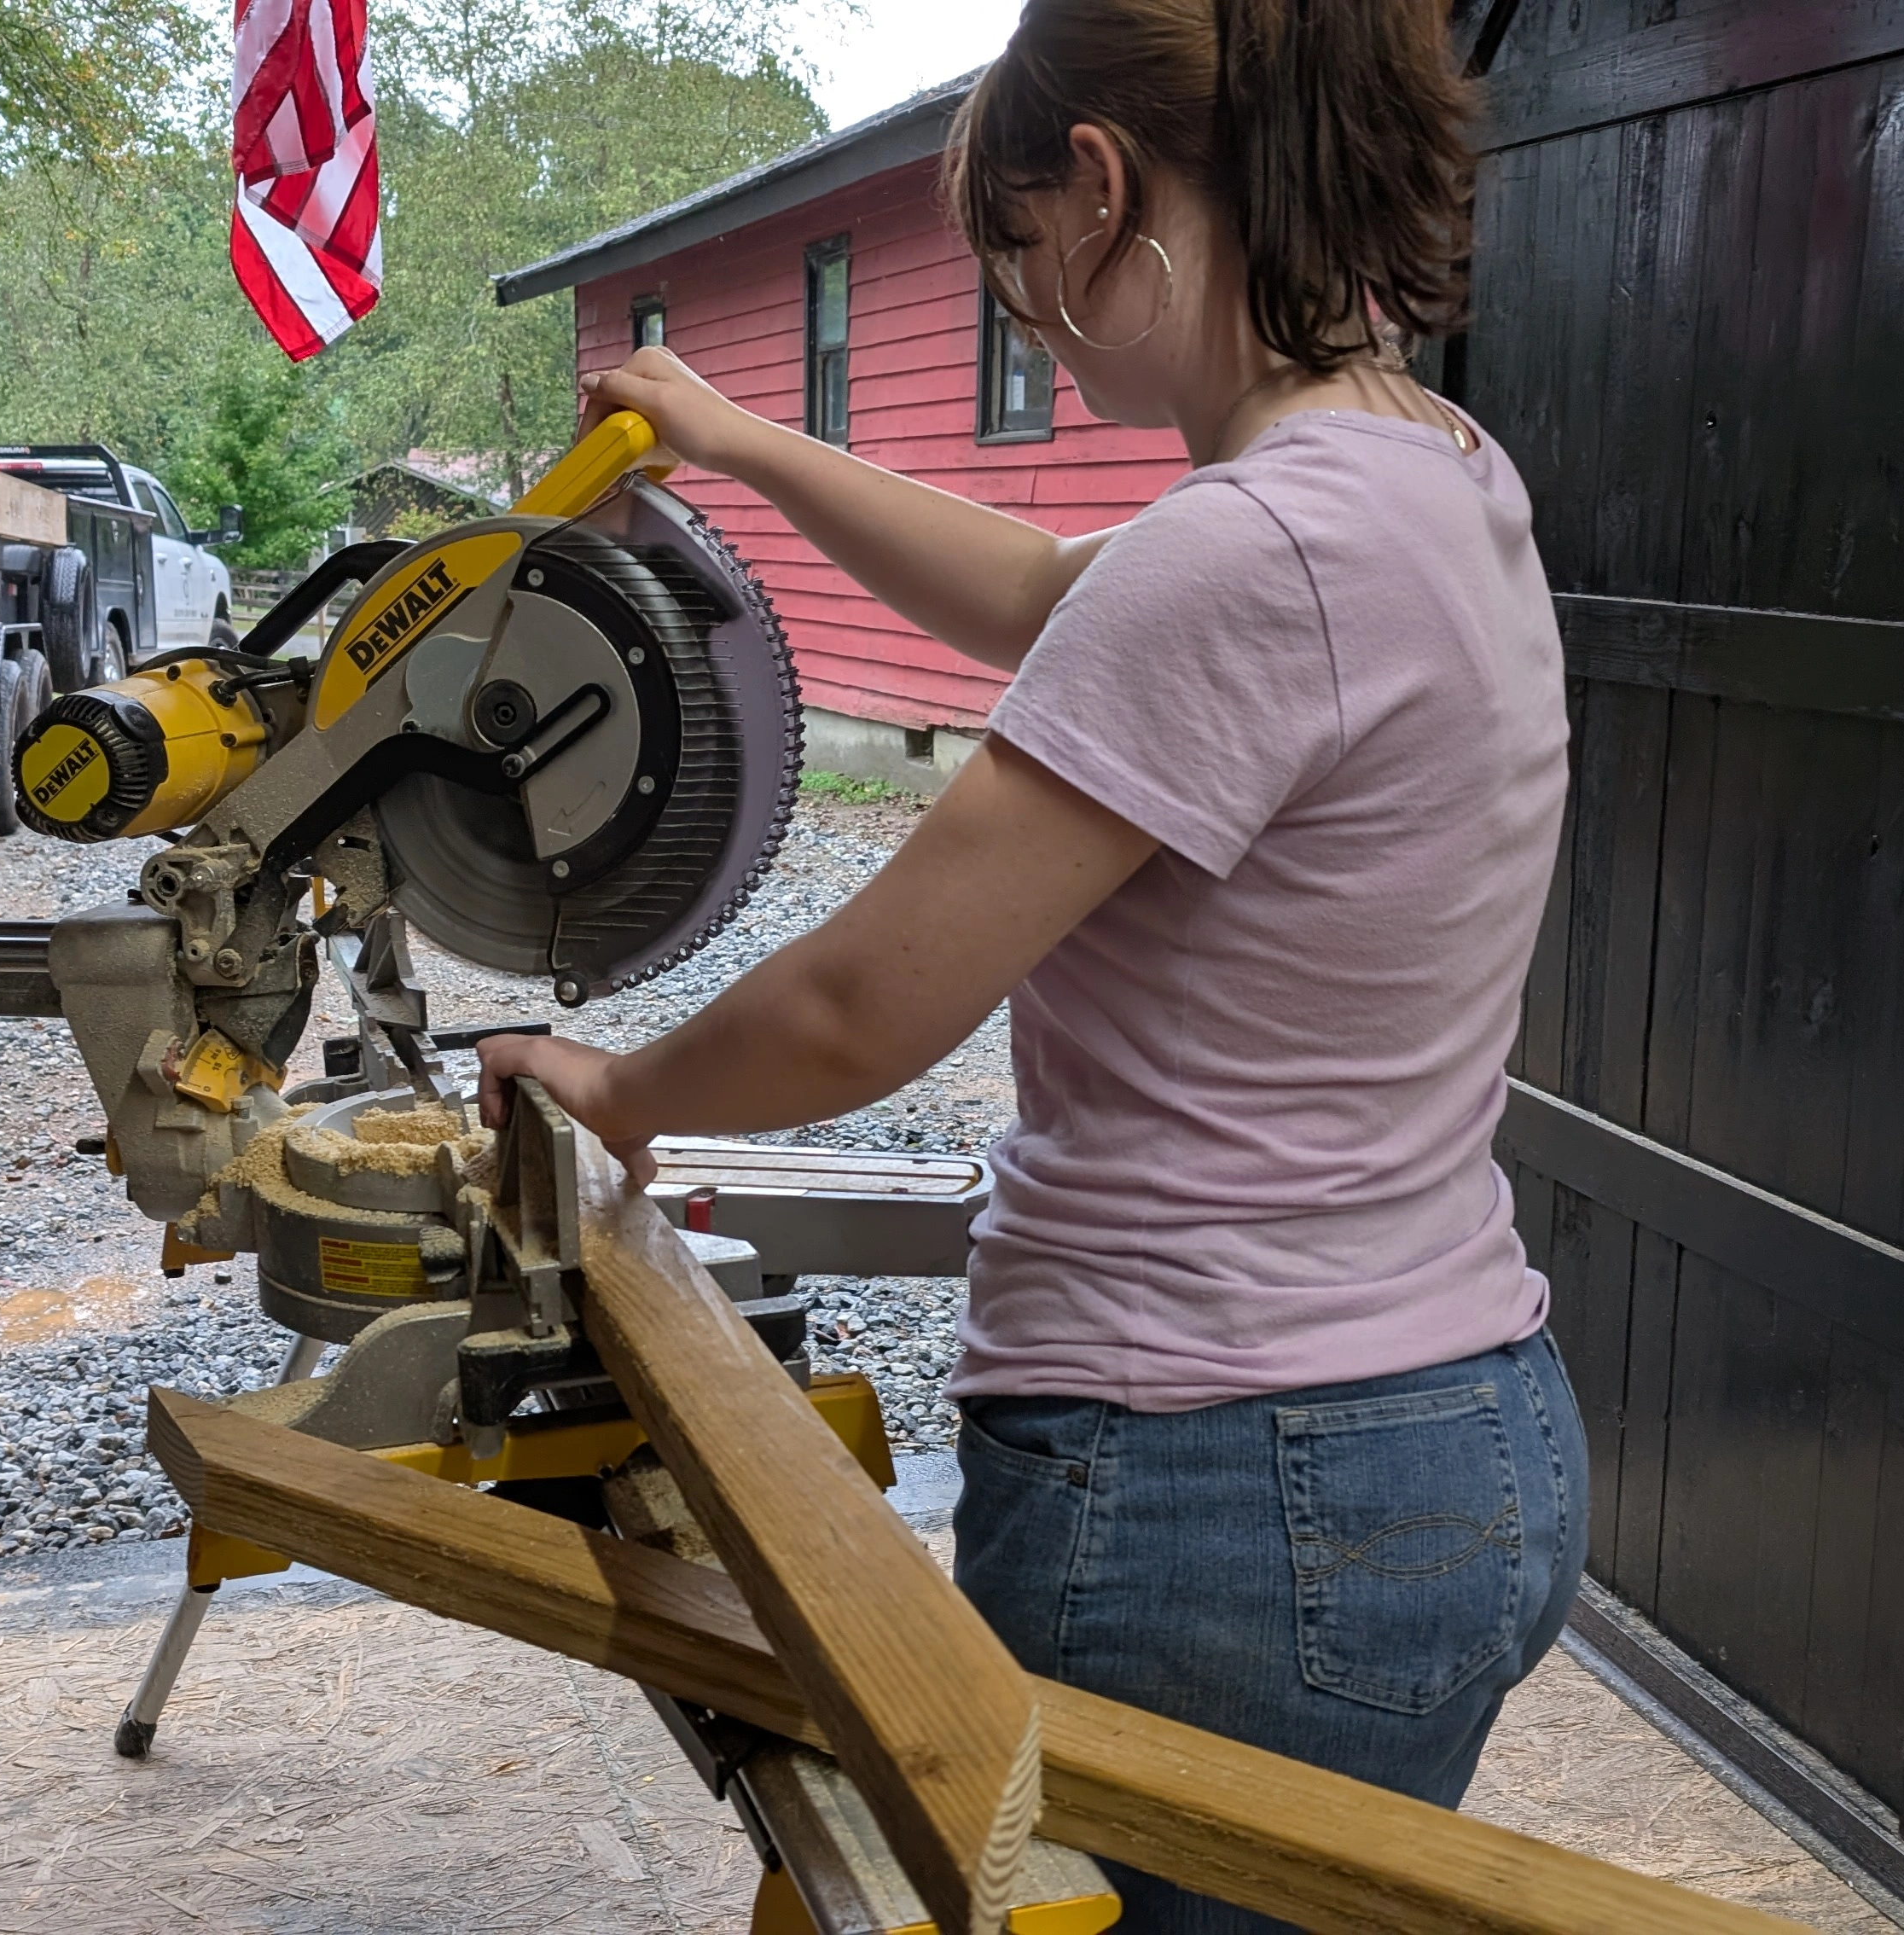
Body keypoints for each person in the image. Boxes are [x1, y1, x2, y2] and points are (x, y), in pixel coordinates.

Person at [479, 1, 1581, 1921]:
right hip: (1461, 1423)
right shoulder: (1434, 476)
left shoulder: (1251, 553)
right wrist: (738, 445)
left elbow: (866, 1004)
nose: (1026, 319)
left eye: (1014, 260)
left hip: (1224, 1489)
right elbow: (1031, 591)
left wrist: (623, 1095)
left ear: (1102, 185)